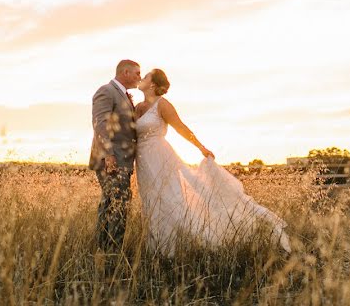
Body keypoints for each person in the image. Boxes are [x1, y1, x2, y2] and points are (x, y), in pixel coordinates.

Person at [133, 68, 291, 256]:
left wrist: (201, 148)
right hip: (142, 160)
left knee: (170, 199)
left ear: (152, 84)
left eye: (145, 76)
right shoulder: (137, 107)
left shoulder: (163, 105)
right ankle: (158, 249)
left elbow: (181, 127)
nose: (141, 78)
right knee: (151, 201)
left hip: (161, 156)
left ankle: (181, 249)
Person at [89, 59, 141, 253]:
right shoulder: (106, 91)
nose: (139, 77)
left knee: (113, 204)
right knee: (117, 206)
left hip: (122, 159)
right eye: (137, 73)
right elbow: (100, 123)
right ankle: (112, 252)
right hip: (111, 159)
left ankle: (104, 251)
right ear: (125, 72)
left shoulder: (124, 95)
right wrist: (109, 154)